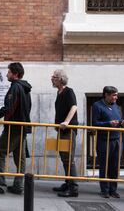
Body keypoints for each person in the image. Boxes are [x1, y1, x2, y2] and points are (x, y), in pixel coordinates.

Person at [0, 62, 32, 195]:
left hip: (14, 128)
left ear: (15, 74)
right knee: (19, 157)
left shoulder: (15, 87)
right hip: (22, 127)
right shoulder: (25, 88)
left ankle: (0, 184)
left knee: (0, 149)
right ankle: (18, 186)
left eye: (9, 72)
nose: (6, 74)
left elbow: (8, 109)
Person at [92, 86, 124, 199]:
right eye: (113, 95)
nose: (116, 98)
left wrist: (122, 122)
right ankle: (105, 190)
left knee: (115, 166)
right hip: (104, 140)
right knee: (104, 165)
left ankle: (113, 189)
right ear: (106, 95)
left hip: (116, 139)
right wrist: (108, 124)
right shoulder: (98, 106)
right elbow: (95, 123)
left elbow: (118, 120)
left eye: (116, 95)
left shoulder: (116, 106)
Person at [51, 69, 79, 197]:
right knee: (64, 158)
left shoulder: (69, 91)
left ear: (61, 79)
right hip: (62, 130)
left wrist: (66, 122)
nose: (52, 79)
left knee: (69, 159)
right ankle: (68, 183)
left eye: (54, 77)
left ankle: (73, 188)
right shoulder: (59, 92)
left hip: (68, 130)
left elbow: (74, 106)